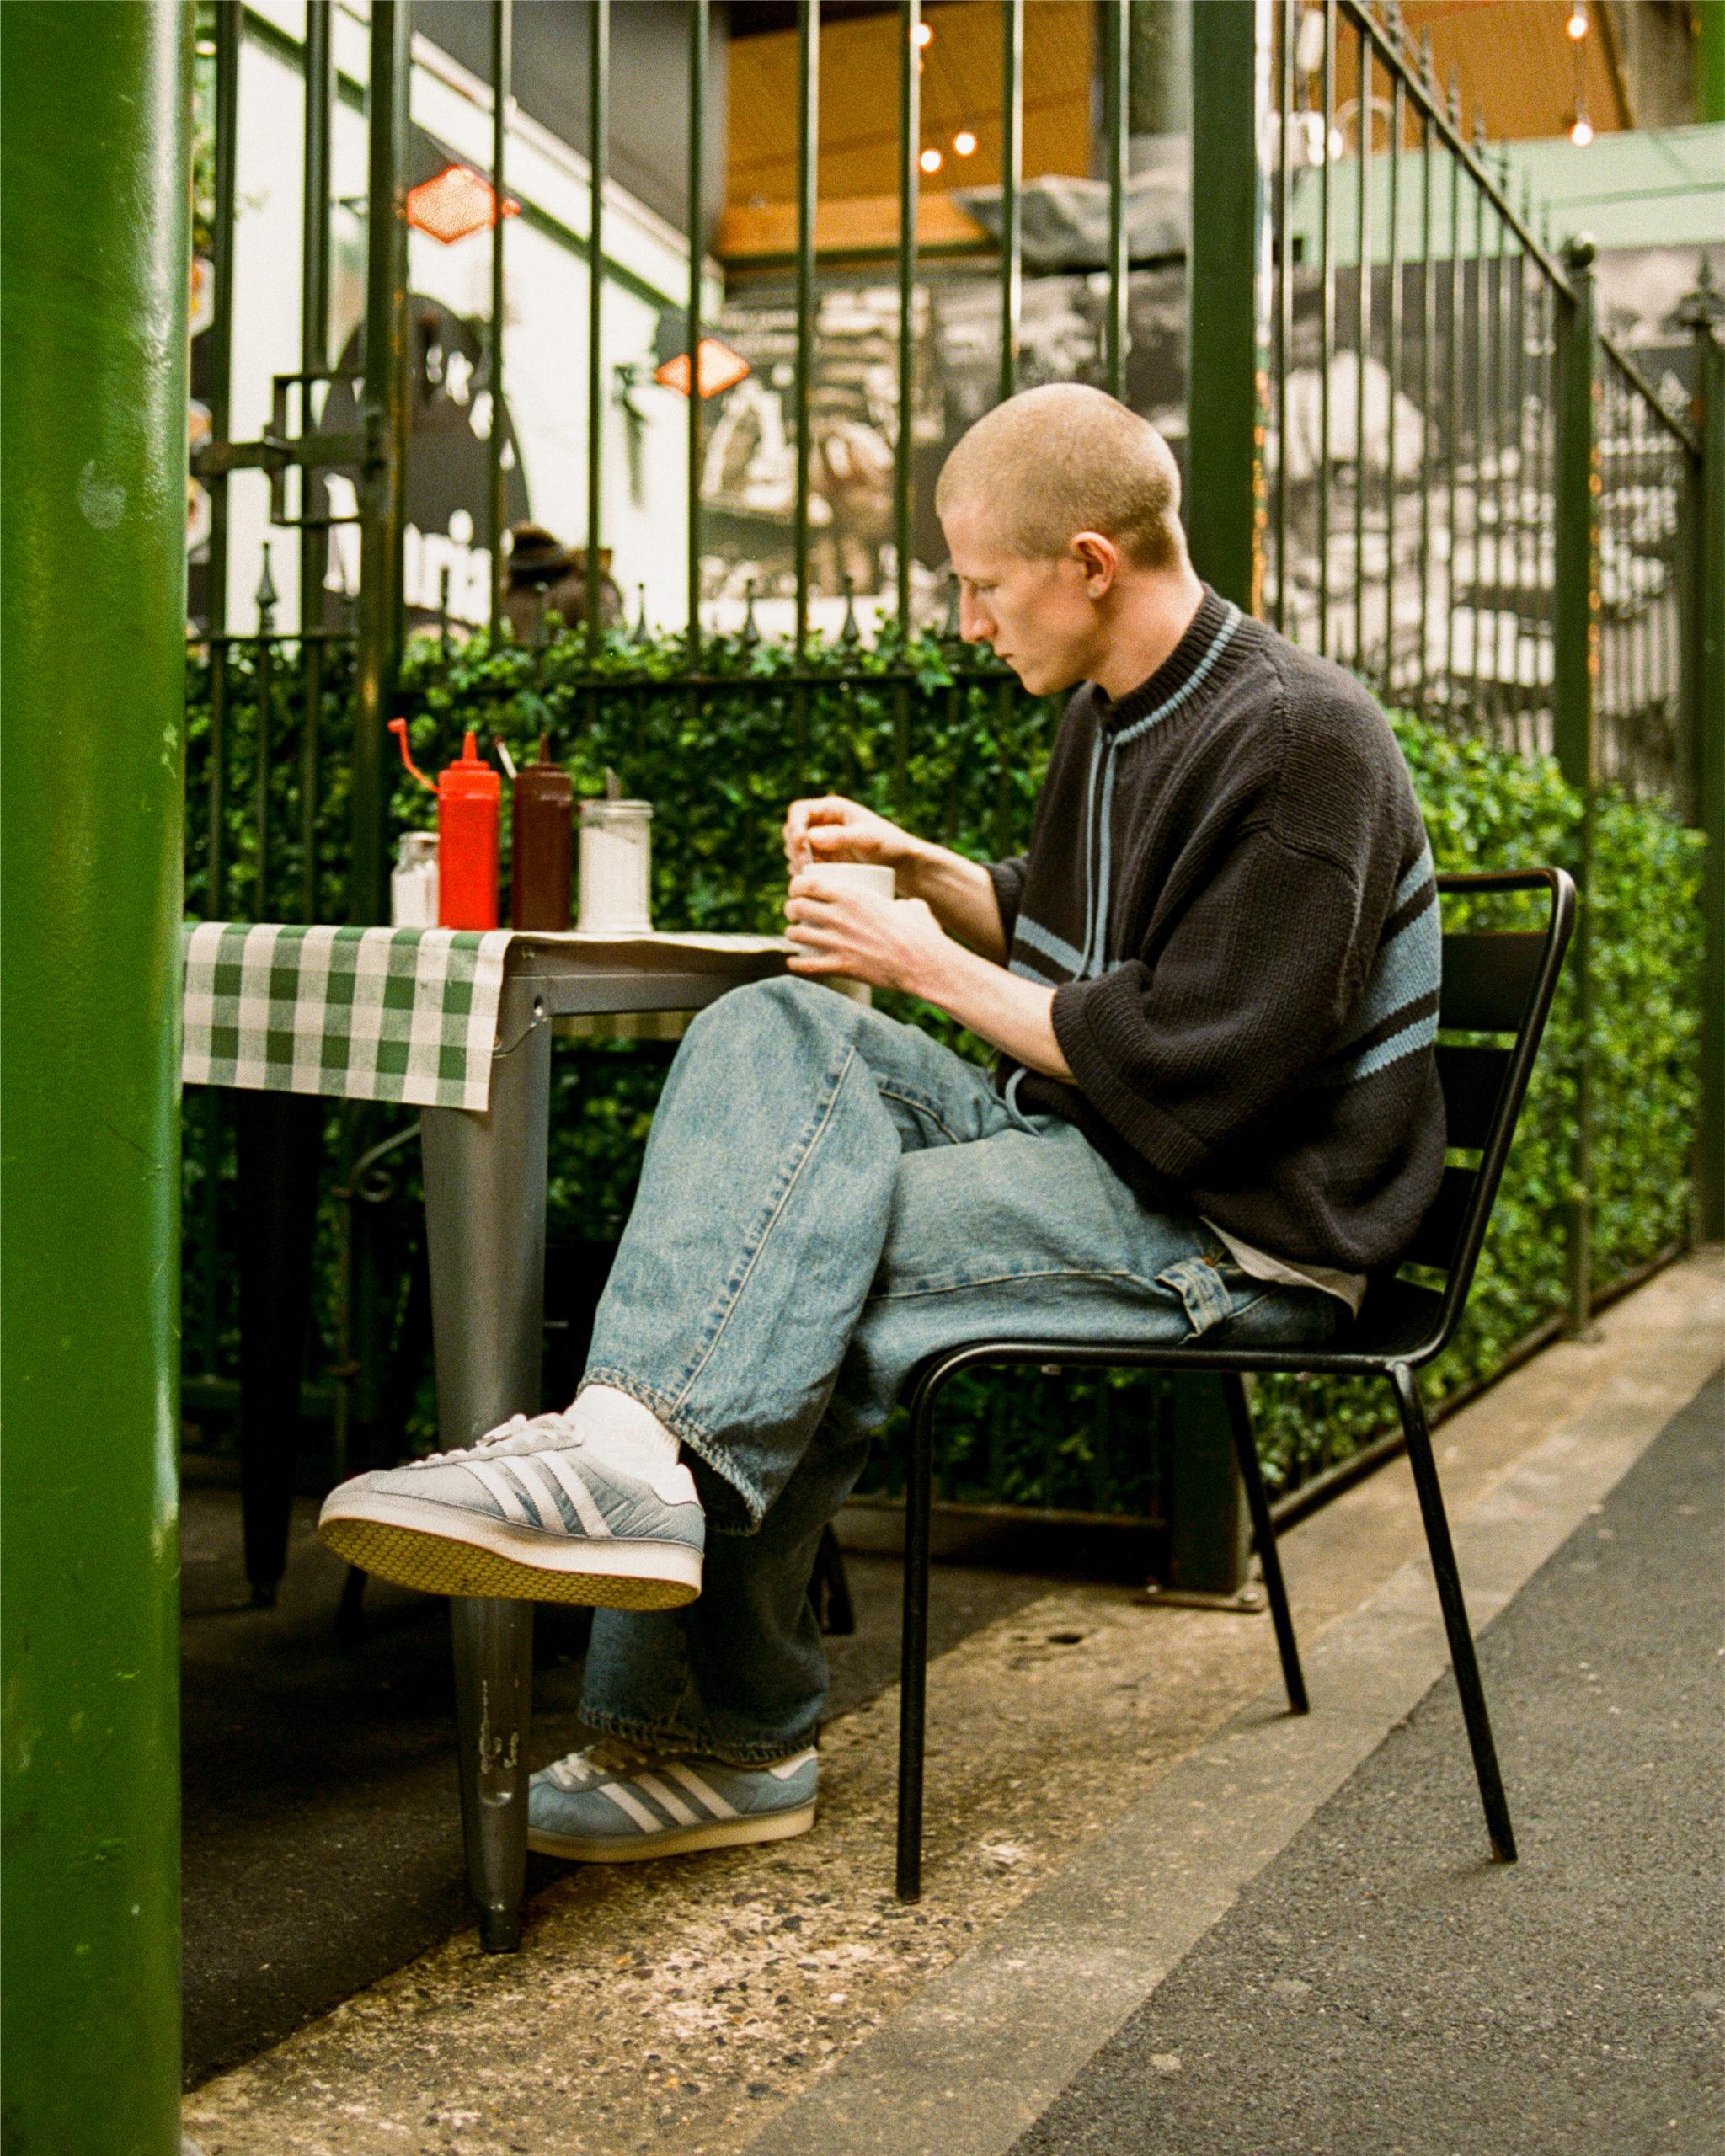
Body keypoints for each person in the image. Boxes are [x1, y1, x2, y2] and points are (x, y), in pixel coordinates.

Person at [319, 384, 1444, 1865]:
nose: (969, 621)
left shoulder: (1303, 745)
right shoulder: (1121, 712)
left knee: (807, 1251)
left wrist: (919, 958)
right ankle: (620, 1451)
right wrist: (926, 873)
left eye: (983, 584)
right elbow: (1087, 942)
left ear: (1092, 565)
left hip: (1245, 1223)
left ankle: (725, 1736)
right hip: (1110, 1145)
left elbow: (1196, 1076)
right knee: (769, 1021)